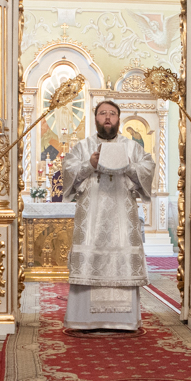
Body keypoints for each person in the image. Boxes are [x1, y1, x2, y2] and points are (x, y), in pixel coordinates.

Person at [62, 100, 156, 331]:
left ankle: (123, 321)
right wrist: (90, 164)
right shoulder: (83, 146)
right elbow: (68, 170)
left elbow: (148, 167)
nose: (107, 117)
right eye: (102, 113)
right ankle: (84, 319)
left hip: (121, 219)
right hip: (92, 217)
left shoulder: (132, 147)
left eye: (112, 114)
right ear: (95, 118)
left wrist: (128, 167)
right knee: (90, 257)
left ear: (119, 119)